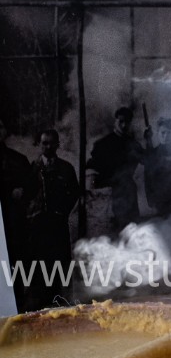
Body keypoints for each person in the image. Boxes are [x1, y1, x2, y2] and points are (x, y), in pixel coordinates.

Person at [25, 129, 79, 309]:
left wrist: (61, 212)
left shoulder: (66, 168)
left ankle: (61, 302)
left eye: (51, 143)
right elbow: (27, 194)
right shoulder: (32, 168)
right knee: (40, 264)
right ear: (39, 144)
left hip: (58, 225)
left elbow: (74, 193)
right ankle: (42, 303)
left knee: (60, 263)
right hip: (38, 226)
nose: (48, 147)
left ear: (57, 145)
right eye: (44, 143)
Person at [87, 107, 142, 232]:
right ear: (115, 121)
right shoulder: (102, 144)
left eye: (127, 122)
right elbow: (91, 169)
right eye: (121, 121)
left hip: (128, 192)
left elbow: (148, 160)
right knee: (110, 230)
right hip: (108, 193)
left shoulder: (134, 145)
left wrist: (148, 139)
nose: (124, 125)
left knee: (131, 229)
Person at [0, 118, 32, 311]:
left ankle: (18, 302)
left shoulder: (18, 160)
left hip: (13, 221)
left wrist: (22, 192)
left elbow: (31, 187)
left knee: (15, 261)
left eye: (0, 127)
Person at [142, 117, 171, 216]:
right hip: (160, 203)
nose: (166, 136)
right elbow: (148, 179)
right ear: (157, 133)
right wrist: (151, 202)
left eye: (169, 133)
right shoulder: (152, 154)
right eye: (163, 132)